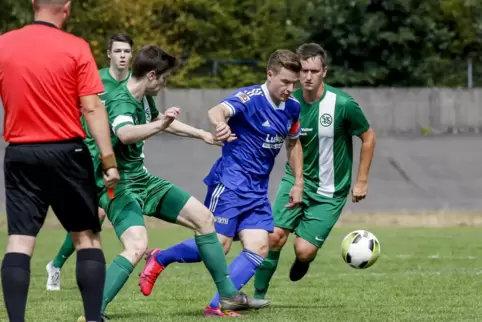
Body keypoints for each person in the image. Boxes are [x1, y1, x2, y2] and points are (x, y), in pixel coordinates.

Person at [77, 45, 258, 322]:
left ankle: (227, 294)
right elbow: (125, 134)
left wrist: (203, 135)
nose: (165, 83)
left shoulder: (141, 97)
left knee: (204, 219)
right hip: (116, 185)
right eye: (164, 78)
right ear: (151, 75)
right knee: (137, 245)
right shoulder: (121, 101)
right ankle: (93, 313)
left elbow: (161, 121)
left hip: (142, 180)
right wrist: (160, 126)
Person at [139, 49, 305, 317]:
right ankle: (160, 258)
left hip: (257, 189)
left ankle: (217, 304)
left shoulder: (293, 107)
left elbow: (294, 144)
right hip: (230, 182)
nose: (290, 88)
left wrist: (298, 182)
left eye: (294, 83)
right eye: (285, 81)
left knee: (260, 246)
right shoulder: (250, 97)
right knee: (220, 244)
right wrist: (220, 124)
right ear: (270, 74)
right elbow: (217, 110)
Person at [0, 1, 120, 322]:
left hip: (20, 154)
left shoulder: (4, 44)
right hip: (68, 152)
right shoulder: (76, 47)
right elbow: (92, 108)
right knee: (86, 237)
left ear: (32, 4)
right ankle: (93, 319)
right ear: (66, 7)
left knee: (19, 241)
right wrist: (108, 161)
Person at [253, 43, 376, 301]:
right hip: (295, 179)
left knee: (304, 250)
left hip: (330, 190)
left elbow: (368, 137)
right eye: (303, 71)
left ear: (324, 72)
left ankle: (303, 260)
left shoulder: (342, 104)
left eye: (314, 71)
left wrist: (361, 181)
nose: (308, 77)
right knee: (273, 237)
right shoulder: (289, 102)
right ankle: (258, 297)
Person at [46, 32, 134, 292]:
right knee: (90, 216)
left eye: (127, 51)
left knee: (98, 214)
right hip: (88, 156)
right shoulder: (95, 78)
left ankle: (57, 264)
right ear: (109, 54)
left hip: (117, 162)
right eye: (117, 51)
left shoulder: (133, 83)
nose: (122, 56)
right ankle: (57, 264)